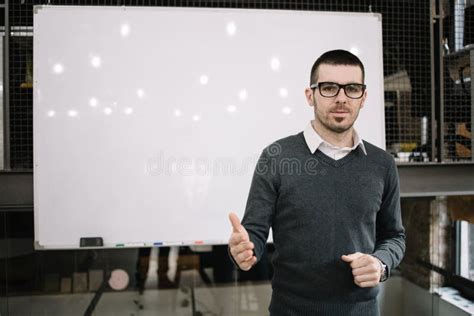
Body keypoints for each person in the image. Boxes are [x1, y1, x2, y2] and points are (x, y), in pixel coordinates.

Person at [228, 49, 405, 315]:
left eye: (352, 88)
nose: (341, 98)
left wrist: (380, 264)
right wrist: (242, 250)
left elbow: (394, 236)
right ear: (310, 95)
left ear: (364, 97)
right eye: (329, 88)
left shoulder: (382, 164)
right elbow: (253, 232)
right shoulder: (277, 156)